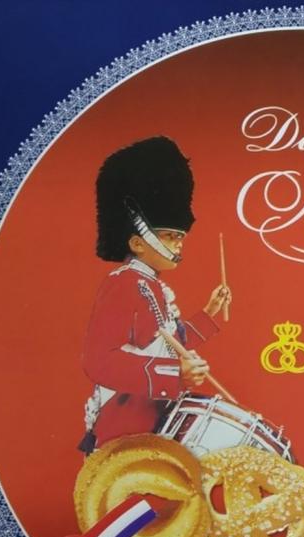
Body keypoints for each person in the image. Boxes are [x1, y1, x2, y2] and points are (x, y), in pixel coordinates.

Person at [79, 136, 231, 452]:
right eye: (171, 236)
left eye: (180, 237)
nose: (179, 244)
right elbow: (99, 360)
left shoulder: (151, 285)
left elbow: (168, 343)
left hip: (152, 413)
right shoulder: (123, 284)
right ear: (137, 243)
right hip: (124, 418)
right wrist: (176, 374)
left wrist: (209, 313)